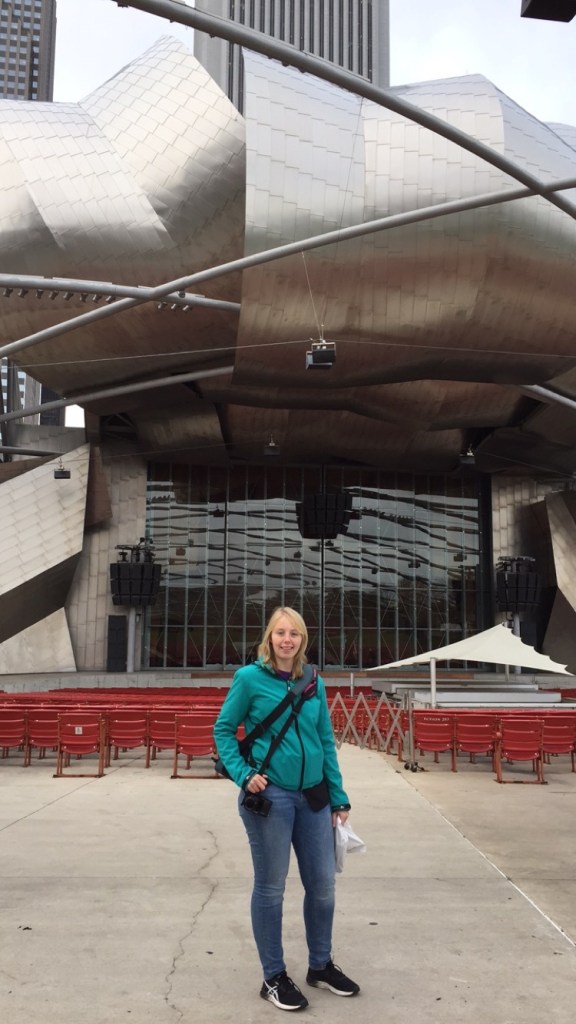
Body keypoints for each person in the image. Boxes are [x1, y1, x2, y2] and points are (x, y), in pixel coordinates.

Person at [213, 606, 360, 1012]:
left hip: (314, 797)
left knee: (323, 888)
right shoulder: (249, 679)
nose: (287, 640)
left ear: (302, 640)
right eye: (280, 633)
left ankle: (320, 965)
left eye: (293, 633)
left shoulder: (313, 682)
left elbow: (325, 740)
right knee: (271, 888)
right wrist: (244, 774)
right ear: (269, 638)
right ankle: (273, 975)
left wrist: (338, 795)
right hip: (271, 798)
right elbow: (223, 730)